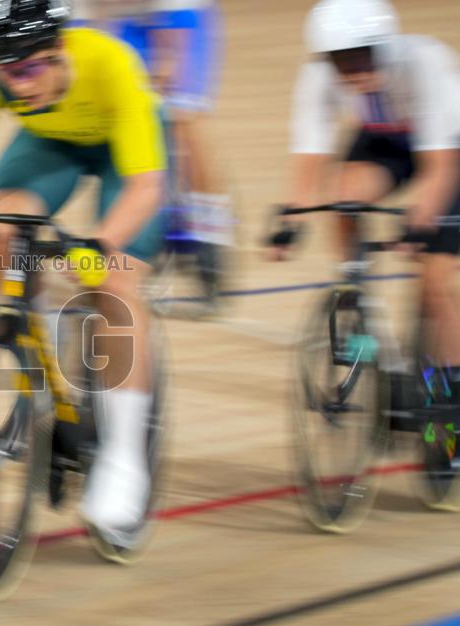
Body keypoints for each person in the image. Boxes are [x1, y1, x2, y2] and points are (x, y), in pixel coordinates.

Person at [0, 0, 167, 545]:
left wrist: (101, 243)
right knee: (0, 223)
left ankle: (124, 463)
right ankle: (38, 335)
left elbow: (146, 187)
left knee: (115, 283)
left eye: (28, 69)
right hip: (53, 143)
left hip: (125, 152)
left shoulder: (113, 64)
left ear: (60, 50)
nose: (17, 85)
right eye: (6, 72)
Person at [270, 0, 460, 411]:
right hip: (387, 139)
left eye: (362, 56)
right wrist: (291, 218)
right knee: (342, 198)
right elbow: (309, 157)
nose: (354, 69)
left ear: (386, 47)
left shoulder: (424, 63)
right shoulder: (317, 77)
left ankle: (451, 391)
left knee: (434, 278)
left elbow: (440, 168)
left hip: (448, 145)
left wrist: (421, 223)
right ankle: (365, 317)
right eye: (342, 61)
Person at [76, 0, 232, 249]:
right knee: (127, 114)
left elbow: (174, 52)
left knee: (181, 118)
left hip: (178, 10)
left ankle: (211, 227)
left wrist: (165, 77)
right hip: (127, 15)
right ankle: (139, 213)